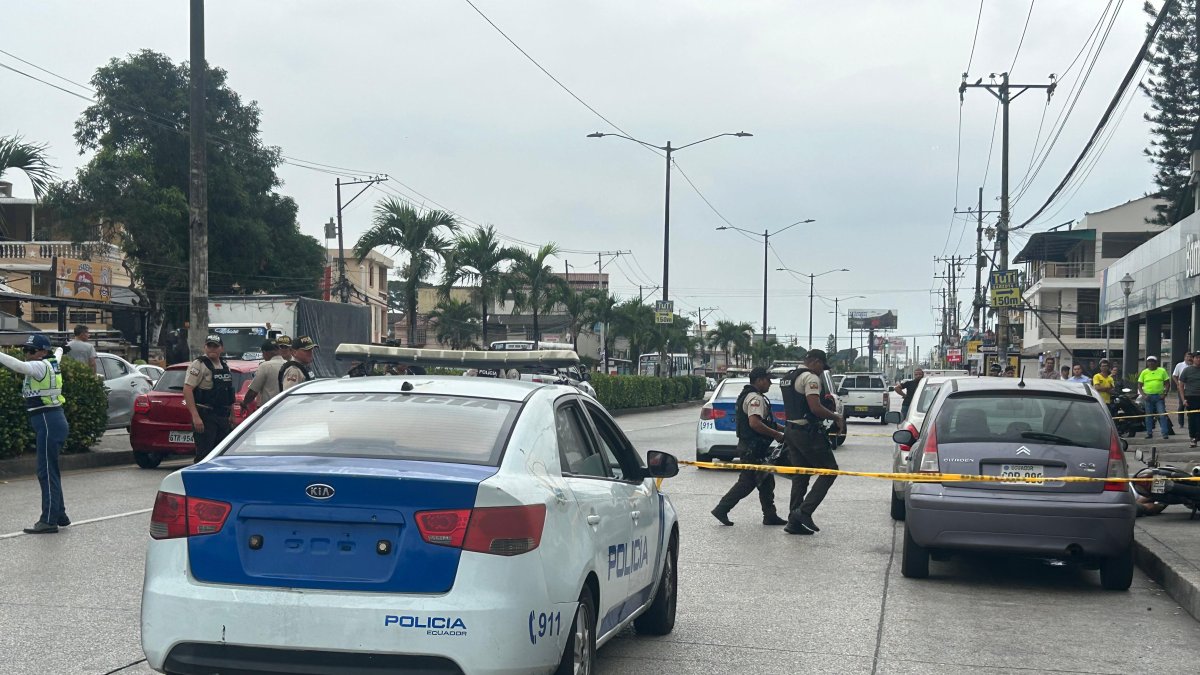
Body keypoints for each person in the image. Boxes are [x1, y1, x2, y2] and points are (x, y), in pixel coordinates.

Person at [1, 335, 70, 534]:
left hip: (48, 420)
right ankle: (59, 514)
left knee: (45, 471)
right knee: (51, 470)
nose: (27, 354)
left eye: (31, 351)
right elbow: (58, 354)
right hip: (52, 420)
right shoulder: (51, 362)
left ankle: (48, 521)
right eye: (26, 350)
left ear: (42, 352)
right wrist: (61, 349)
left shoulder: (39, 366)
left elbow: (19, 366)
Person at [779, 349, 845, 536]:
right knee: (830, 471)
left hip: (791, 430)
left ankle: (793, 522)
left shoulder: (788, 377)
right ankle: (804, 511)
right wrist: (836, 417)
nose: (822, 371)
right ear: (816, 362)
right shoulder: (810, 378)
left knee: (801, 475)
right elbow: (815, 408)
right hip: (807, 432)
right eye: (822, 367)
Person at [711, 367, 788, 527]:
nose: (770, 383)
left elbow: (764, 422)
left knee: (766, 480)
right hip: (752, 448)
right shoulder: (755, 398)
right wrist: (776, 435)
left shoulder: (748, 395)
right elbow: (755, 423)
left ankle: (770, 515)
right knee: (747, 482)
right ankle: (722, 509)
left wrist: (783, 429)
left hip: (752, 447)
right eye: (768, 380)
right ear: (759, 380)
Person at [183, 335, 235, 463]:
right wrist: (195, 417)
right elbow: (187, 389)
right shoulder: (199, 364)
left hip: (223, 416)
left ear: (221, 348)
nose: (212, 349)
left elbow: (228, 392)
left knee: (221, 457)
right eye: (209, 346)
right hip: (206, 416)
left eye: (215, 346)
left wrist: (232, 414)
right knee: (204, 456)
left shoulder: (224, 365)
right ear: (204, 347)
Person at [240, 340, 284, 414]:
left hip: (269, 410)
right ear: (279, 351)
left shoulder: (265, 366)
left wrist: (244, 403)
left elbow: (253, 392)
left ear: (265, 353)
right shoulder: (289, 364)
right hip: (285, 408)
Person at [1138, 355, 1172, 439]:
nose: (1151, 363)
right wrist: (1143, 395)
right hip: (1148, 397)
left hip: (1159, 397)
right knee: (1148, 416)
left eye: (1153, 361)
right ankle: (1149, 433)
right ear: (1147, 363)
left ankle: (1165, 433)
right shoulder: (1144, 372)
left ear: (1156, 363)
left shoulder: (1162, 371)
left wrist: (1164, 394)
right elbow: (1139, 385)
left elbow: (1167, 383)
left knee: (1162, 415)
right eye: (1149, 361)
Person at [1180, 357, 1200, 447]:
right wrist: (1183, 399)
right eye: (1197, 358)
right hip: (1191, 397)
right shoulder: (1187, 370)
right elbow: (1181, 385)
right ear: (1194, 359)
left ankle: (1197, 437)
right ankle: (1193, 438)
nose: (1199, 359)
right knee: (1192, 419)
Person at [1172, 352, 1193, 427]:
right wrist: (1178, 384)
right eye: (1187, 356)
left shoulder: (1194, 365)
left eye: (1190, 357)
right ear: (1184, 357)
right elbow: (1174, 375)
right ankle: (1181, 423)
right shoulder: (1179, 365)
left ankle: (1191, 422)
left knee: (1190, 406)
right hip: (1182, 389)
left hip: (1191, 389)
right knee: (1181, 405)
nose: (1189, 358)